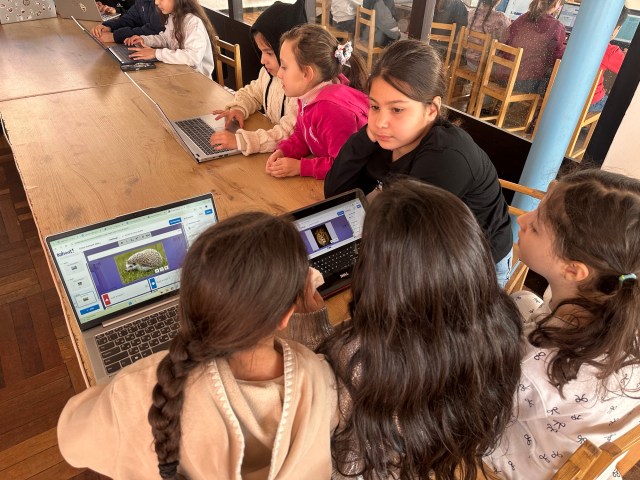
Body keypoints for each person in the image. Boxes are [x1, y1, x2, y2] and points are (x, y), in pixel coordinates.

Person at [57, 212, 339, 479]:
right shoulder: (319, 378)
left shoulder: (135, 391)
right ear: (286, 315)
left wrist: (123, 385)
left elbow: (71, 439)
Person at [287, 178, 523, 479]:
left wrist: (312, 325)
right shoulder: (502, 321)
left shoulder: (361, 360)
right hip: (437, 452)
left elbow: (318, 406)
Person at [486, 169, 640, 478]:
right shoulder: (620, 303)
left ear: (573, 270)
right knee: (522, 300)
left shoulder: (535, 365)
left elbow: (471, 405)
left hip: (519, 465)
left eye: (536, 226)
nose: (523, 220)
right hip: (587, 445)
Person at [325, 39, 513, 287]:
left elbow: (408, 246)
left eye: (397, 110)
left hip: (478, 263)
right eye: (374, 106)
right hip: (425, 245)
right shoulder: (390, 137)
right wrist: (366, 136)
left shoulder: (446, 157)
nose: (380, 121)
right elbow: (337, 195)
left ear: (432, 109)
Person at [266, 24, 369, 180]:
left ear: (307, 74)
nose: (279, 74)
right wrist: (284, 151)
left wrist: (300, 167)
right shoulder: (309, 95)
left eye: (284, 67)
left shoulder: (332, 111)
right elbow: (304, 136)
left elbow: (343, 166)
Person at [208, 0, 306, 155]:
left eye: (269, 53)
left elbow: (287, 134)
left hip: (289, 158)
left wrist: (241, 141)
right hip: (269, 151)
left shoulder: (301, 88)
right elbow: (252, 93)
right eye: (261, 52)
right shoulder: (267, 73)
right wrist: (239, 108)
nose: (262, 60)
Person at [123, 0, 215, 78]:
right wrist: (145, 40)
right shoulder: (173, 17)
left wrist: (156, 53)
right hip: (180, 73)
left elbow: (193, 57)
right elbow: (166, 39)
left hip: (198, 79)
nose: (156, 2)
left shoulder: (193, 22)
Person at [503, 0, 565, 94]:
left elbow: (505, 40)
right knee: (557, 84)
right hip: (522, 82)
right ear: (556, 3)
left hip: (502, 75)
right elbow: (556, 58)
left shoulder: (523, 18)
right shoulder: (556, 26)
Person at [590, 9, 628, 112]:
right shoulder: (610, 51)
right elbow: (630, 70)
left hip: (563, 96)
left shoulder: (575, 40)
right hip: (590, 102)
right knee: (621, 106)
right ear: (616, 29)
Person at [91, 0, 166, 44]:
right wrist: (109, 26)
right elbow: (129, 18)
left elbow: (155, 30)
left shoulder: (163, 3)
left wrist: (115, 36)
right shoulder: (141, 2)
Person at [466, 0, 511, 71]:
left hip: (470, 61)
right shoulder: (501, 18)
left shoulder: (472, 13)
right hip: (486, 65)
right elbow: (506, 42)